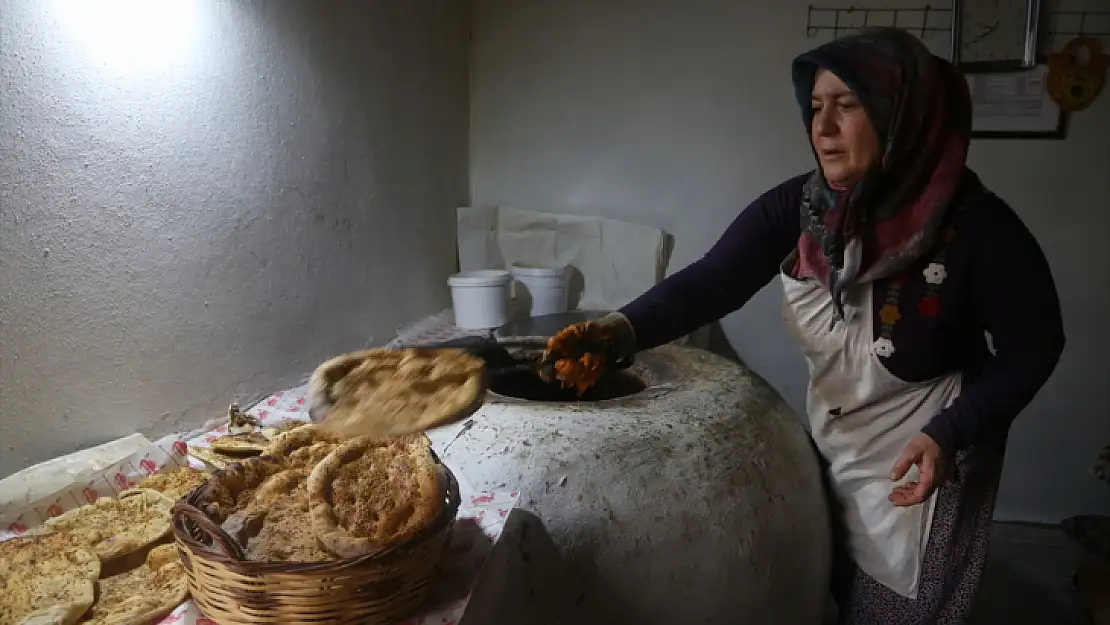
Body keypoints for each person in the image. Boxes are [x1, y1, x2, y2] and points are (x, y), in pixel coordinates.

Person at [544, 27, 1065, 624]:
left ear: (902, 114)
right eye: (816, 107)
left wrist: (954, 432)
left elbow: (1036, 344)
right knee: (835, 588)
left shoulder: (978, 229)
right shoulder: (801, 210)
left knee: (896, 609)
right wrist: (617, 332)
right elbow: (713, 280)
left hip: (929, 458)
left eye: (847, 105)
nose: (823, 127)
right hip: (838, 442)